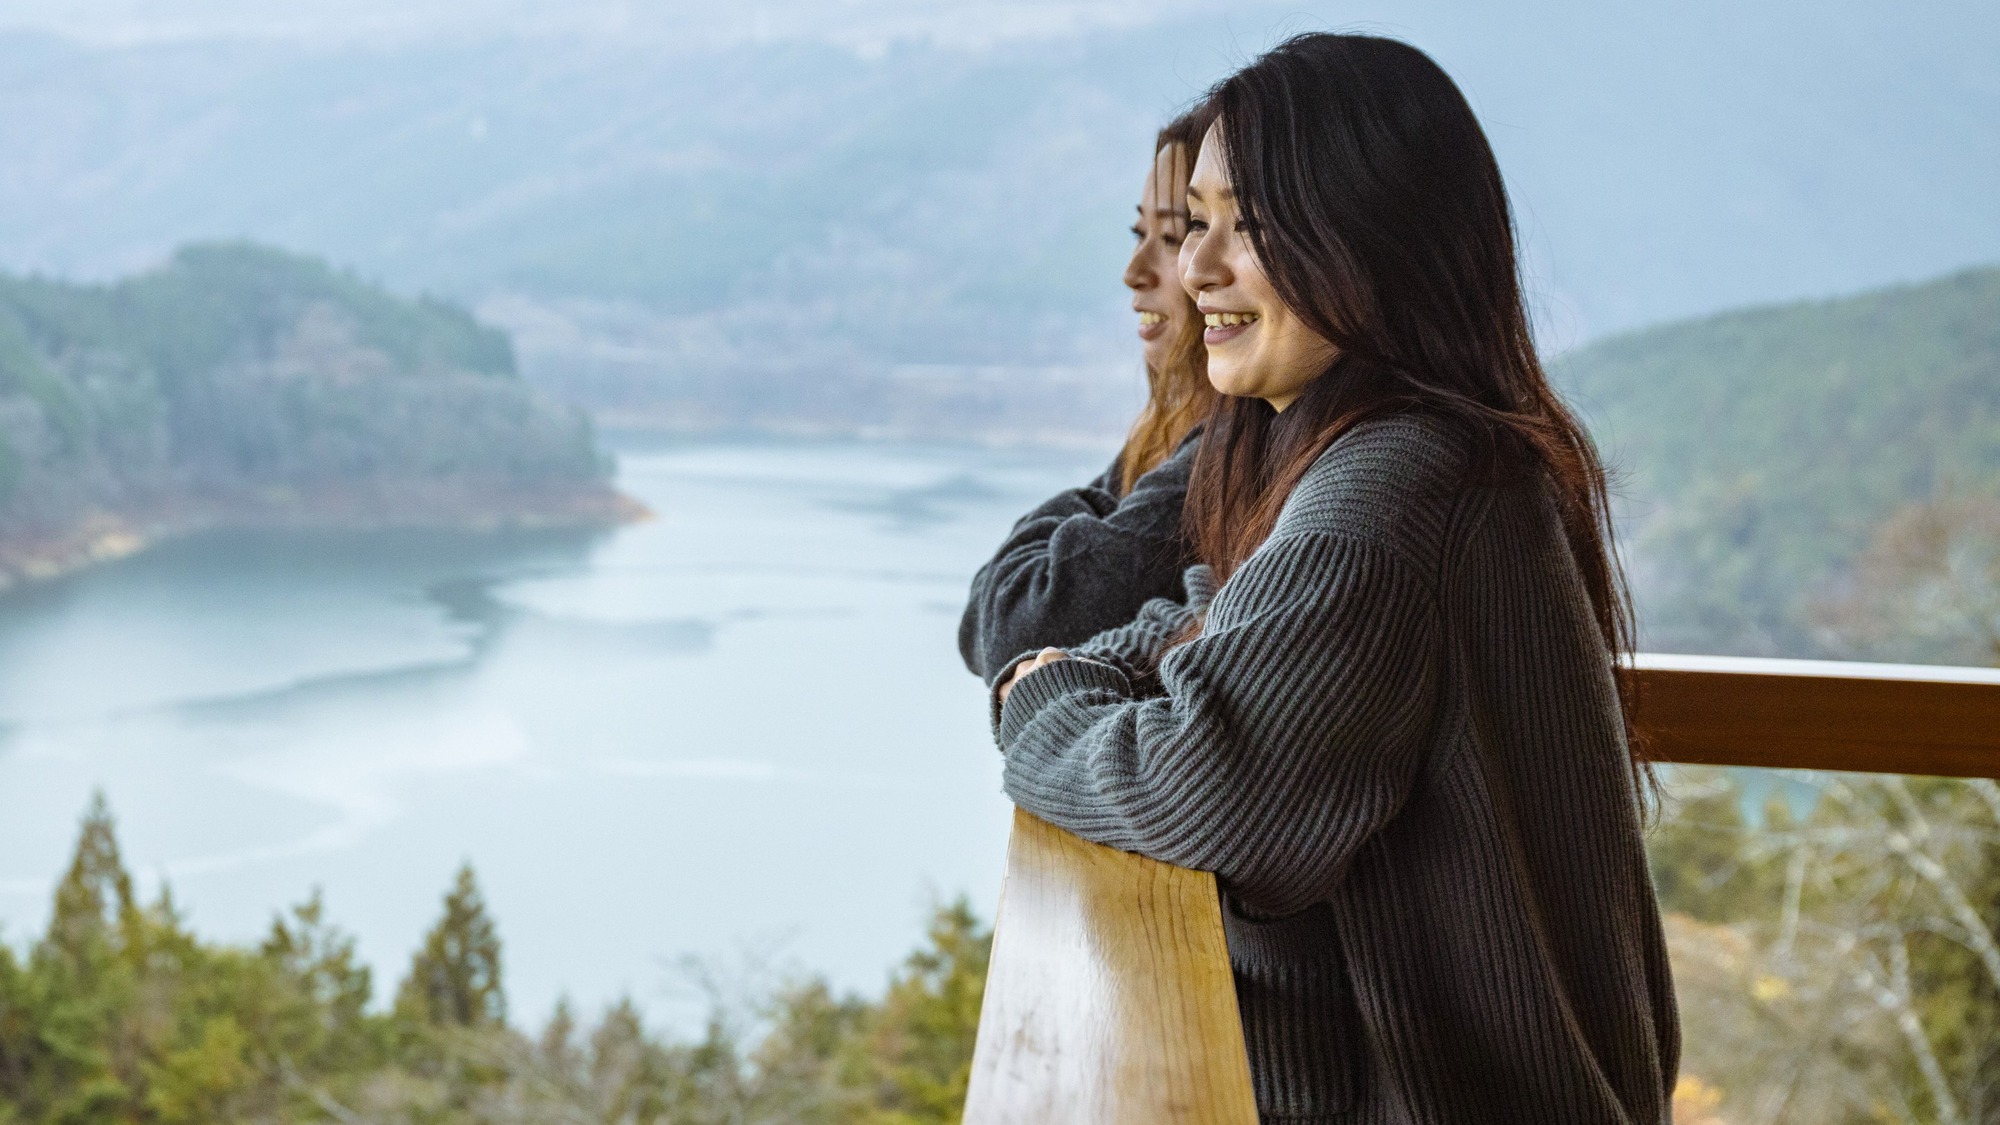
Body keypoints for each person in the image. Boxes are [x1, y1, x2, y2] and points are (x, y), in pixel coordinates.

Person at [994, 34, 1679, 1125]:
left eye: (1246, 226)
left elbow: (1200, 786)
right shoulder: (1392, 454)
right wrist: (1086, 666)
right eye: (1195, 224)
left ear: (1371, 232)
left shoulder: (1392, 493)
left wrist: (1035, 695)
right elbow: (1204, 627)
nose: (1194, 269)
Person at [957, 104, 1218, 684]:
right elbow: (983, 618)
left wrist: (1092, 508)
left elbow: (1013, 627)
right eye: (1138, 232)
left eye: (1175, 236)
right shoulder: (1180, 438)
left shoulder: (1218, 458)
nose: (1133, 269)